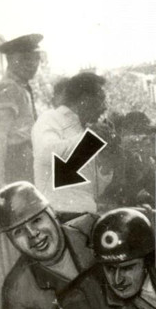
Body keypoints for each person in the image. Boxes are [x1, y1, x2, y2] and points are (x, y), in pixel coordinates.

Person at [32, 71, 111, 217]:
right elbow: (45, 153)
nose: (104, 108)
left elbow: (91, 190)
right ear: (84, 99)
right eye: (101, 99)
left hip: (86, 215)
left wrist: (107, 163)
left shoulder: (82, 129)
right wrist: (89, 139)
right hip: (59, 214)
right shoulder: (50, 118)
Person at [0, 33, 43, 188]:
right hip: (11, 166)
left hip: (20, 165)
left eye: (36, 58)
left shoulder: (20, 87)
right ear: (10, 60)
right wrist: (0, 183)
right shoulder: (9, 87)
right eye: (25, 58)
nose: (32, 64)